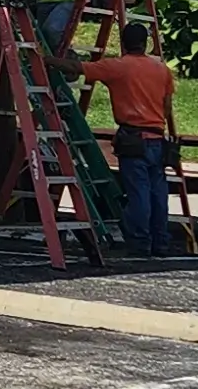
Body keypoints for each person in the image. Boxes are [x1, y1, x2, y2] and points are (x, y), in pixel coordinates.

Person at [69, 17, 178, 257]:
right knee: (157, 194)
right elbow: (167, 106)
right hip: (157, 138)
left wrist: (48, 60)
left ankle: (140, 242)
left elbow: (79, 69)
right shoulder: (161, 69)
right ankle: (160, 242)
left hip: (133, 137)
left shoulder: (118, 67)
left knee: (138, 193)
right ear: (145, 43)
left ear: (125, 43)